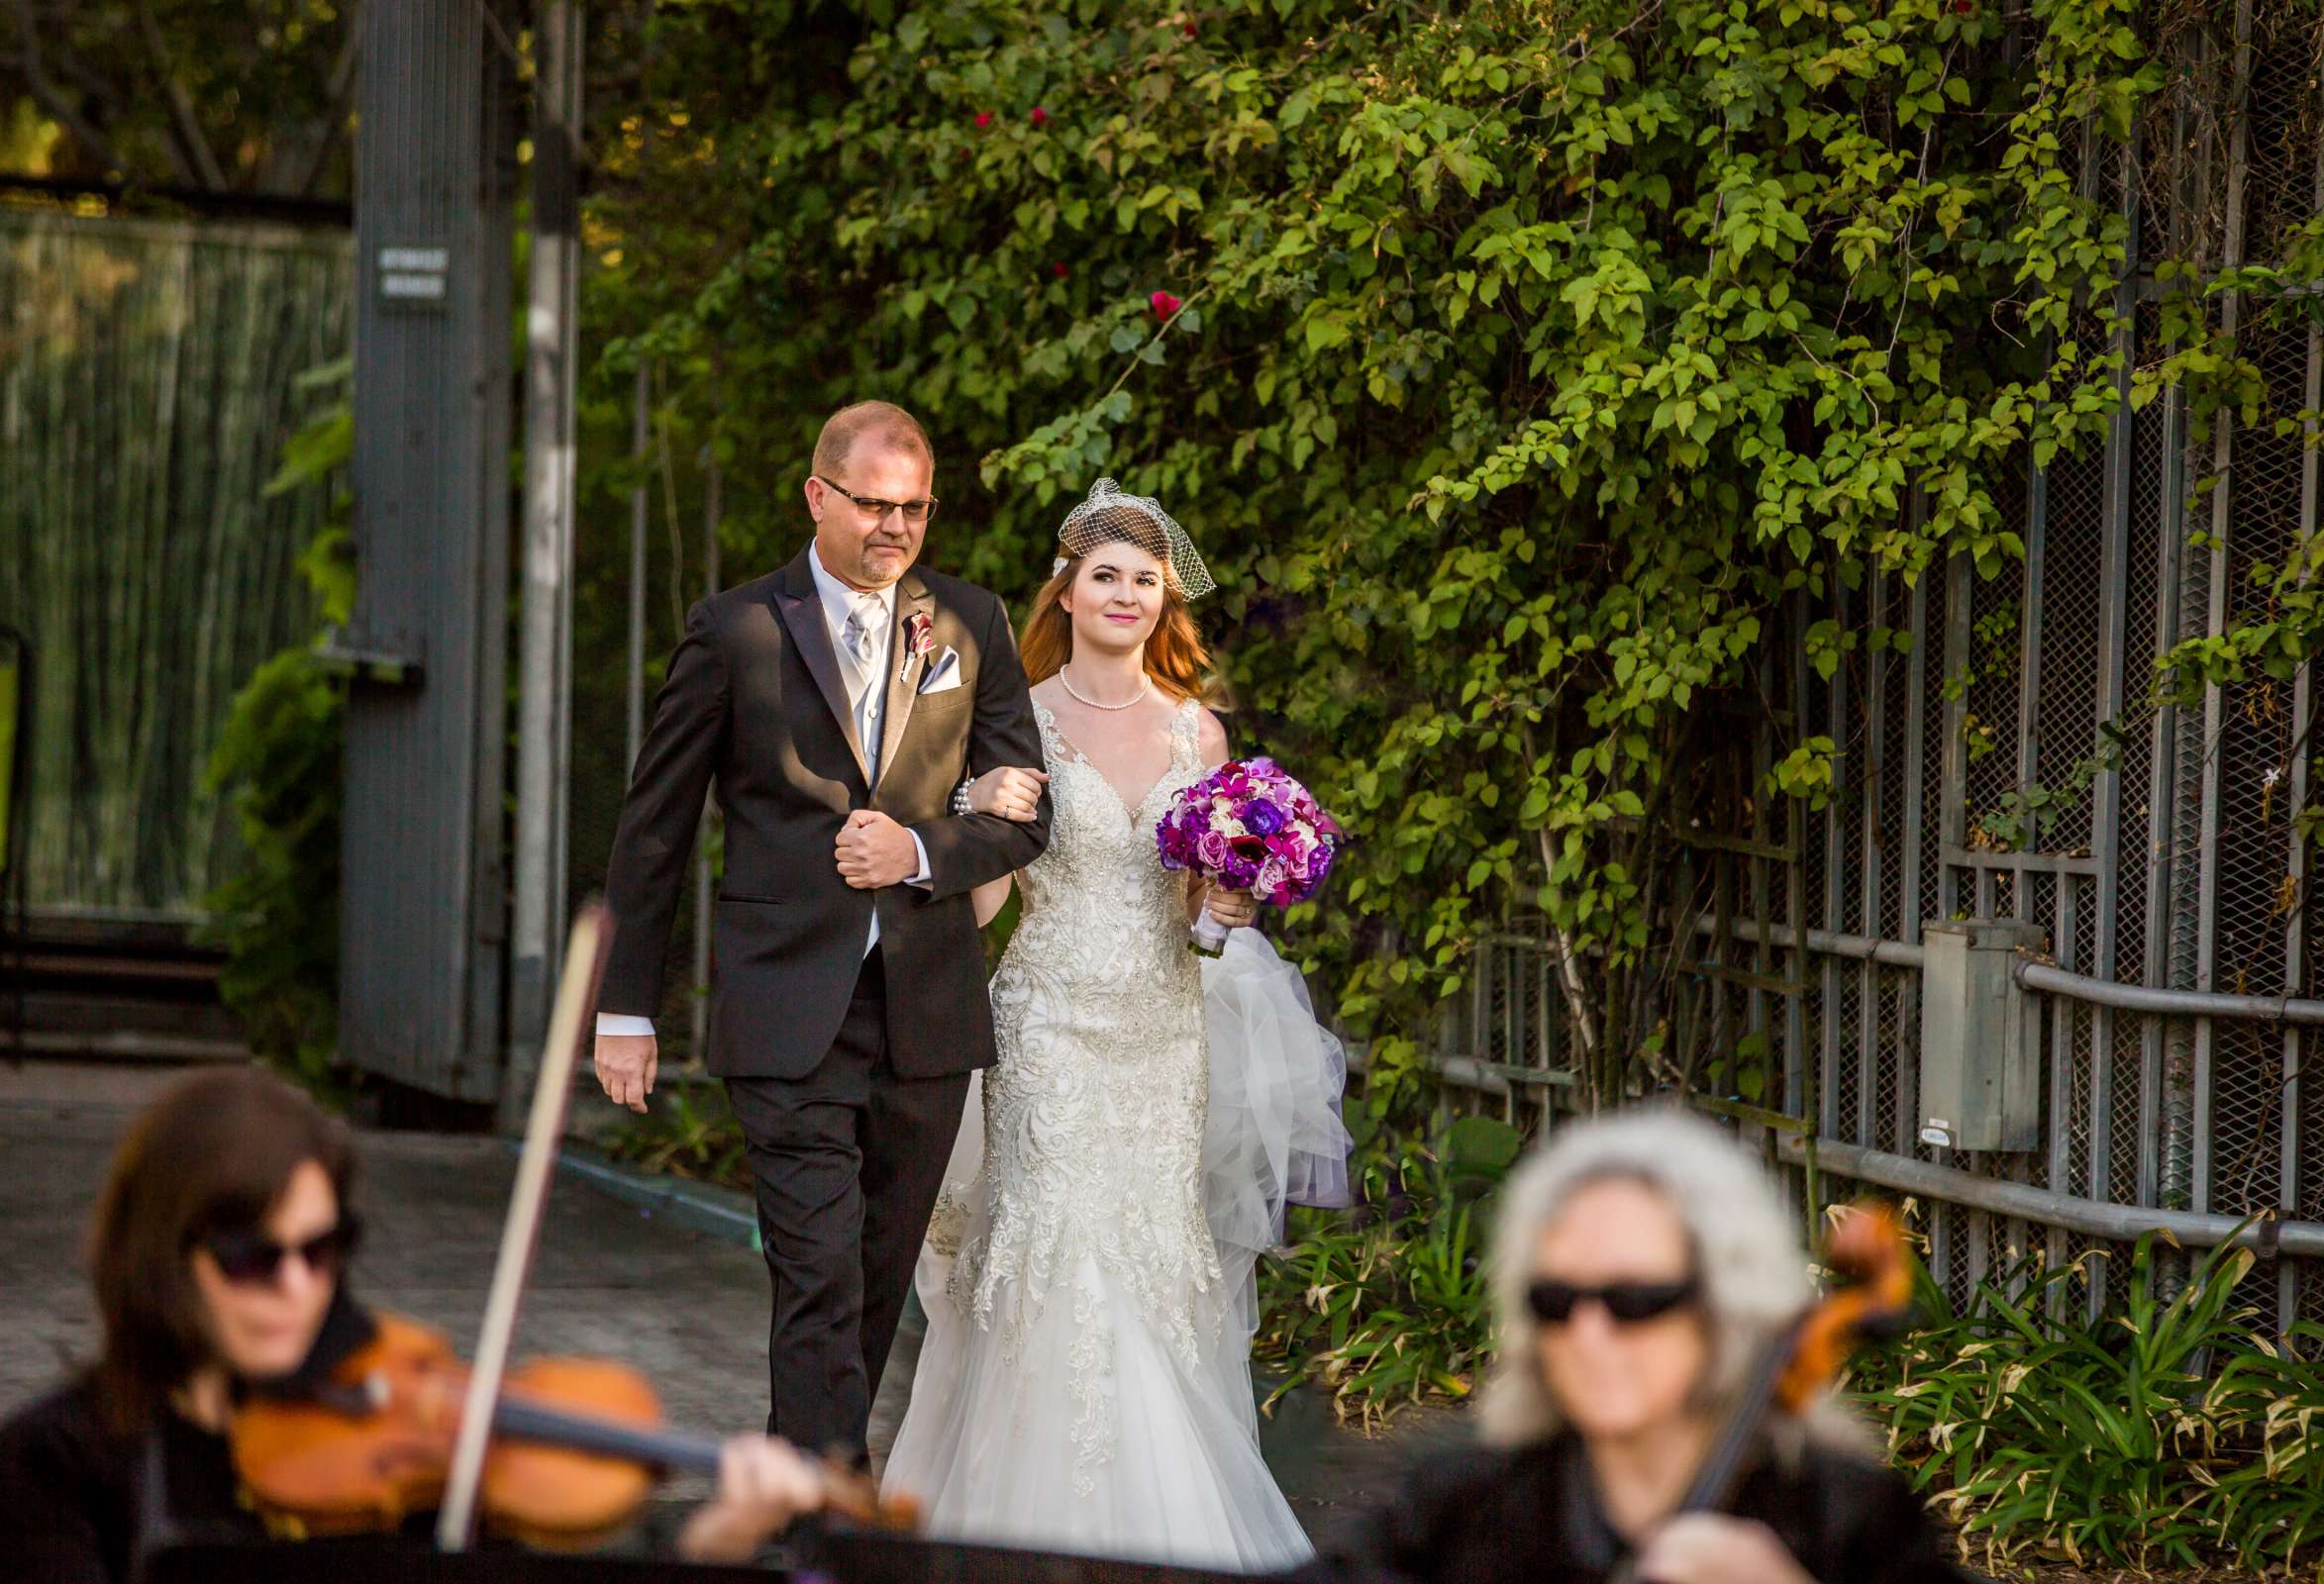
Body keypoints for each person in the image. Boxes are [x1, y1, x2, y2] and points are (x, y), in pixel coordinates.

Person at [880, 479, 1349, 1572]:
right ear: (1069, 589)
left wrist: (1230, 903)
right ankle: (1030, 1524)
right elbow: (991, 897)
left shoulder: (1199, 728)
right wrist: (959, 831)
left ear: (1165, 600)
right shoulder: (1019, 716)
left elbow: (1201, 907)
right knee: (1054, 1254)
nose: (1126, 592)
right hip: (1047, 1027)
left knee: (1146, 1259)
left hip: (1162, 1031)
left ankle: (1155, 1527)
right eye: (1107, 573)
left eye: (1147, 577)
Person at [590, 401, 1052, 1460]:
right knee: (819, 1277)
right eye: (873, 504)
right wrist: (625, 1008)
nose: (895, 527)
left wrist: (923, 850)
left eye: (915, 508)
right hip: (786, 1005)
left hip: (928, 1015)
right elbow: (652, 832)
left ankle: (796, 1480)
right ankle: (826, 1519)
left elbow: (1031, 817)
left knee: (872, 1292)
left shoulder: (970, 624)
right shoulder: (735, 629)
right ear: (818, 495)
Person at [0, 1067, 826, 1583]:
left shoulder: (393, 1432)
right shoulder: (57, 1461)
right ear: (163, 1253)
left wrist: (709, 1541)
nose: (296, 1287)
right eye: (254, 1256)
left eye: (322, 1250)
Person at [1295, 1108, 1964, 1584]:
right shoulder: (1467, 1502)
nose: (1589, 1334)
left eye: (1636, 1301)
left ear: (1724, 1306)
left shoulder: (1848, 1522)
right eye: (1555, 1301)